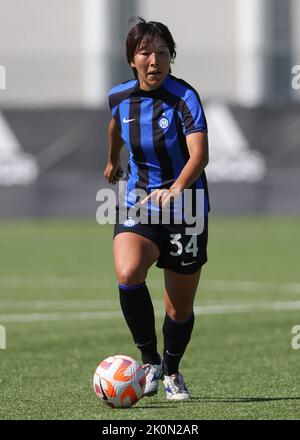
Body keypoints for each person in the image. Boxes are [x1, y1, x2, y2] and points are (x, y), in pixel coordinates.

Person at [104, 17, 209, 401]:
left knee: (178, 309)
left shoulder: (185, 97)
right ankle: (149, 363)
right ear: (132, 59)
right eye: (146, 53)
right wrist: (113, 158)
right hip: (138, 203)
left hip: (187, 209)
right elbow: (115, 126)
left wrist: (177, 189)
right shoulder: (119, 97)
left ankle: (173, 371)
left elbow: (200, 154)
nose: (154, 61)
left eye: (162, 53)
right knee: (129, 271)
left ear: (171, 58)